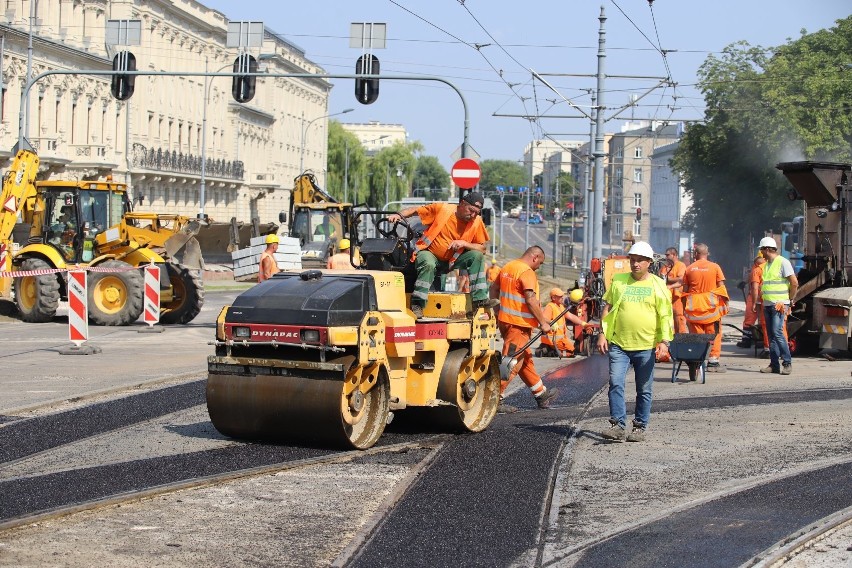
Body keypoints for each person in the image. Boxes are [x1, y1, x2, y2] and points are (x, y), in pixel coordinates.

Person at [597, 241, 673, 442]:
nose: (635, 264)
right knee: (615, 383)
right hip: (620, 344)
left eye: (640, 260)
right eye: (632, 260)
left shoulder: (658, 285)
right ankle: (618, 425)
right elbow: (608, 308)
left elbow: (665, 315)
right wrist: (602, 333)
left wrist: (664, 342)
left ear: (649, 262)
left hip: (646, 346)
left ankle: (639, 426)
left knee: (644, 389)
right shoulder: (619, 280)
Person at [388, 192, 492, 318]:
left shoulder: (476, 222)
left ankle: (479, 300)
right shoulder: (443, 209)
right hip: (429, 253)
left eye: (477, 212)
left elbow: (482, 248)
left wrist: (464, 243)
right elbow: (416, 210)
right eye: (471, 210)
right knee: (428, 263)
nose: (473, 215)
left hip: (452, 260)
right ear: (462, 203)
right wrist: (398, 215)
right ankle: (417, 304)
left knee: (477, 256)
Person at [490, 246, 560, 412]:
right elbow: (530, 299)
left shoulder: (508, 267)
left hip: (506, 322)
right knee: (511, 362)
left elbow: (493, 288)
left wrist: (496, 311)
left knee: (525, 360)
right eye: (540, 263)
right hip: (518, 326)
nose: (538, 267)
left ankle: (541, 394)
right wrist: (543, 322)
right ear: (535, 257)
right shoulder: (526, 272)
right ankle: (494, 399)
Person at [754, 237, 798, 375]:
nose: (761, 253)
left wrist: (789, 300)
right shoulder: (767, 265)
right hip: (767, 304)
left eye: (761, 250)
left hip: (778, 304)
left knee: (777, 333)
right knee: (772, 335)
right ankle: (774, 365)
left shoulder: (783, 262)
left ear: (767, 249)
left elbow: (794, 282)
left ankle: (787, 362)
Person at [682, 243, 729, 372]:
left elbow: (684, 291)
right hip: (711, 310)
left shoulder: (689, 269)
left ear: (695, 254)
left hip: (694, 310)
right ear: (707, 254)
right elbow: (721, 288)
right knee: (714, 334)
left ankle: (698, 361)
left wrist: (683, 309)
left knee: (697, 336)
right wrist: (725, 304)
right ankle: (713, 362)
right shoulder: (715, 267)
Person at [536, 287, 590, 358]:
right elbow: (543, 318)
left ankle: (548, 349)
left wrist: (583, 323)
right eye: (560, 296)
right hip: (553, 340)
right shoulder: (550, 307)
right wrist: (551, 322)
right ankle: (551, 352)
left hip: (560, 339)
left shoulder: (560, 306)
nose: (562, 297)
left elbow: (571, 316)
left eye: (562, 296)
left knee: (572, 350)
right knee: (570, 352)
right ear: (553, 298)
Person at [737, 255, 766, 348]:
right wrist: (745, 282)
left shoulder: (766, 266)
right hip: (760, 296)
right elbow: (752, 275)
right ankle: (747, 340)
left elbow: (754, 284)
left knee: (762, 320)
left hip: (760, 296)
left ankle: (761, 340)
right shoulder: (758, 266)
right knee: (750, 319)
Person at [663, 247, 687, 333]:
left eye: (667, 255)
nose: (666, 257)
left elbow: (681, 279)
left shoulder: (681, 265)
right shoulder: (665, 267)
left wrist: (667, 280)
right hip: (666, 299)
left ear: (674, 255)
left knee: (679, 320)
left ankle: (681, 342)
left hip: (677, 299)